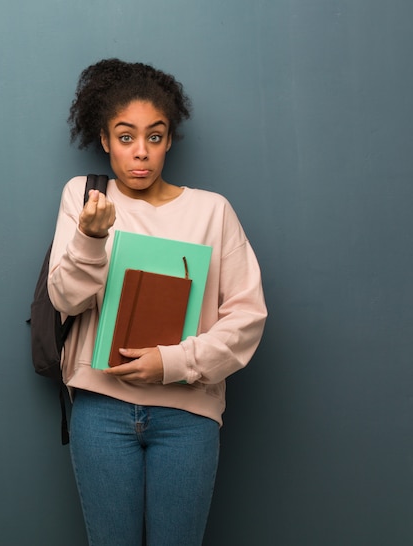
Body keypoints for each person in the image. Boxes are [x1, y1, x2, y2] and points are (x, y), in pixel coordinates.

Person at [47, 58, 267, 546]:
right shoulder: (86, 198)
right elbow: (63, 298)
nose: (140, 153)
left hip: (187, 414)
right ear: (104, 140)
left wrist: (171, 362)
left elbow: (247, 318)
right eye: (125, 137)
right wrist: (89, 238)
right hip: (101, 409)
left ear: (170, 139)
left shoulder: (213, 211)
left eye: (155, 136)